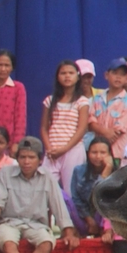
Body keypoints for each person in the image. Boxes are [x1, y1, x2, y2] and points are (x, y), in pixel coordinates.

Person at [38, 60, 92, 191]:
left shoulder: (82, 101)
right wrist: (49, 148)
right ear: (57, 76)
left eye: (71, 73)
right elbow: (44, 128)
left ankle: (70, 213)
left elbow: (81, 129)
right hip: (52, 151)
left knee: (71, 190)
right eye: (63, 73)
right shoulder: (50, 100)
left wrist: (64, 149)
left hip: (72, 150)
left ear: (78, 76)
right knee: (45, 189)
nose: (67, 76)